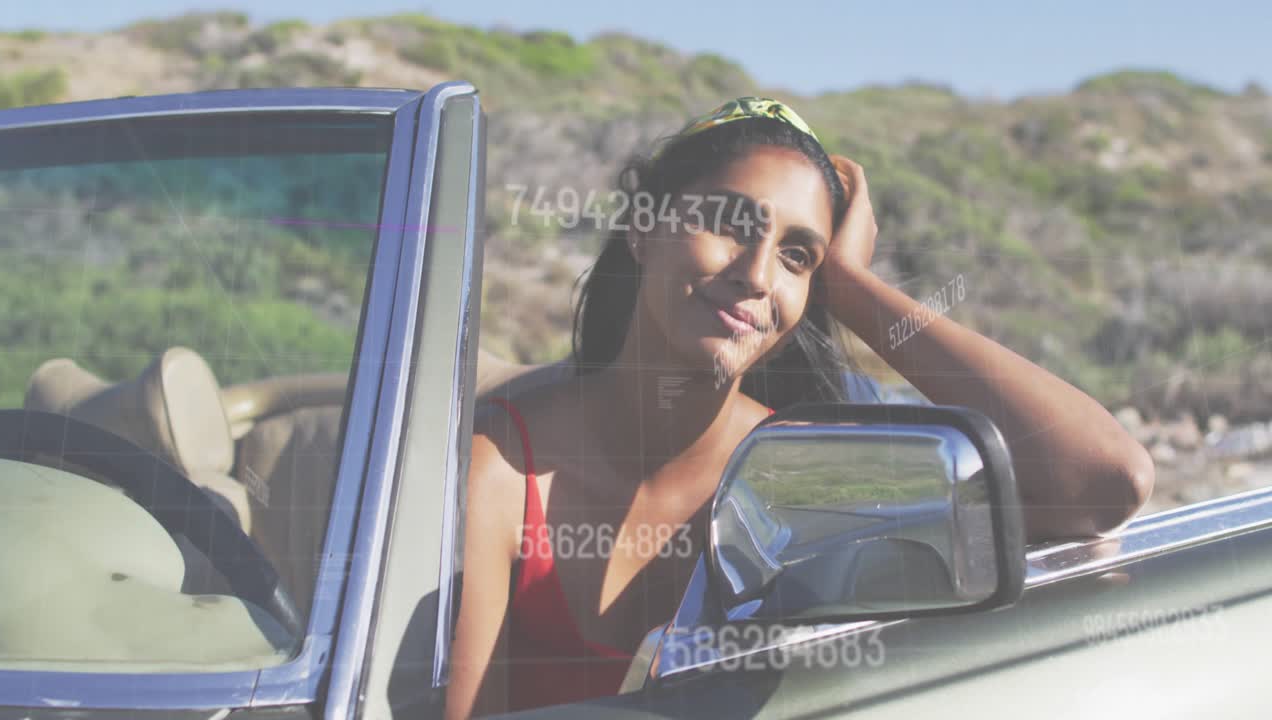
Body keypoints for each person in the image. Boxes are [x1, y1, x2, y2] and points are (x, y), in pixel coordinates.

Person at [446, 97, 1155, 718]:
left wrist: (849, 288)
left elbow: (1107, 480)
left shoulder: (810, 470)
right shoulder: (501, 476)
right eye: (729, 222)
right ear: (643, 227)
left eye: (797, 256)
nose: (757, 274)